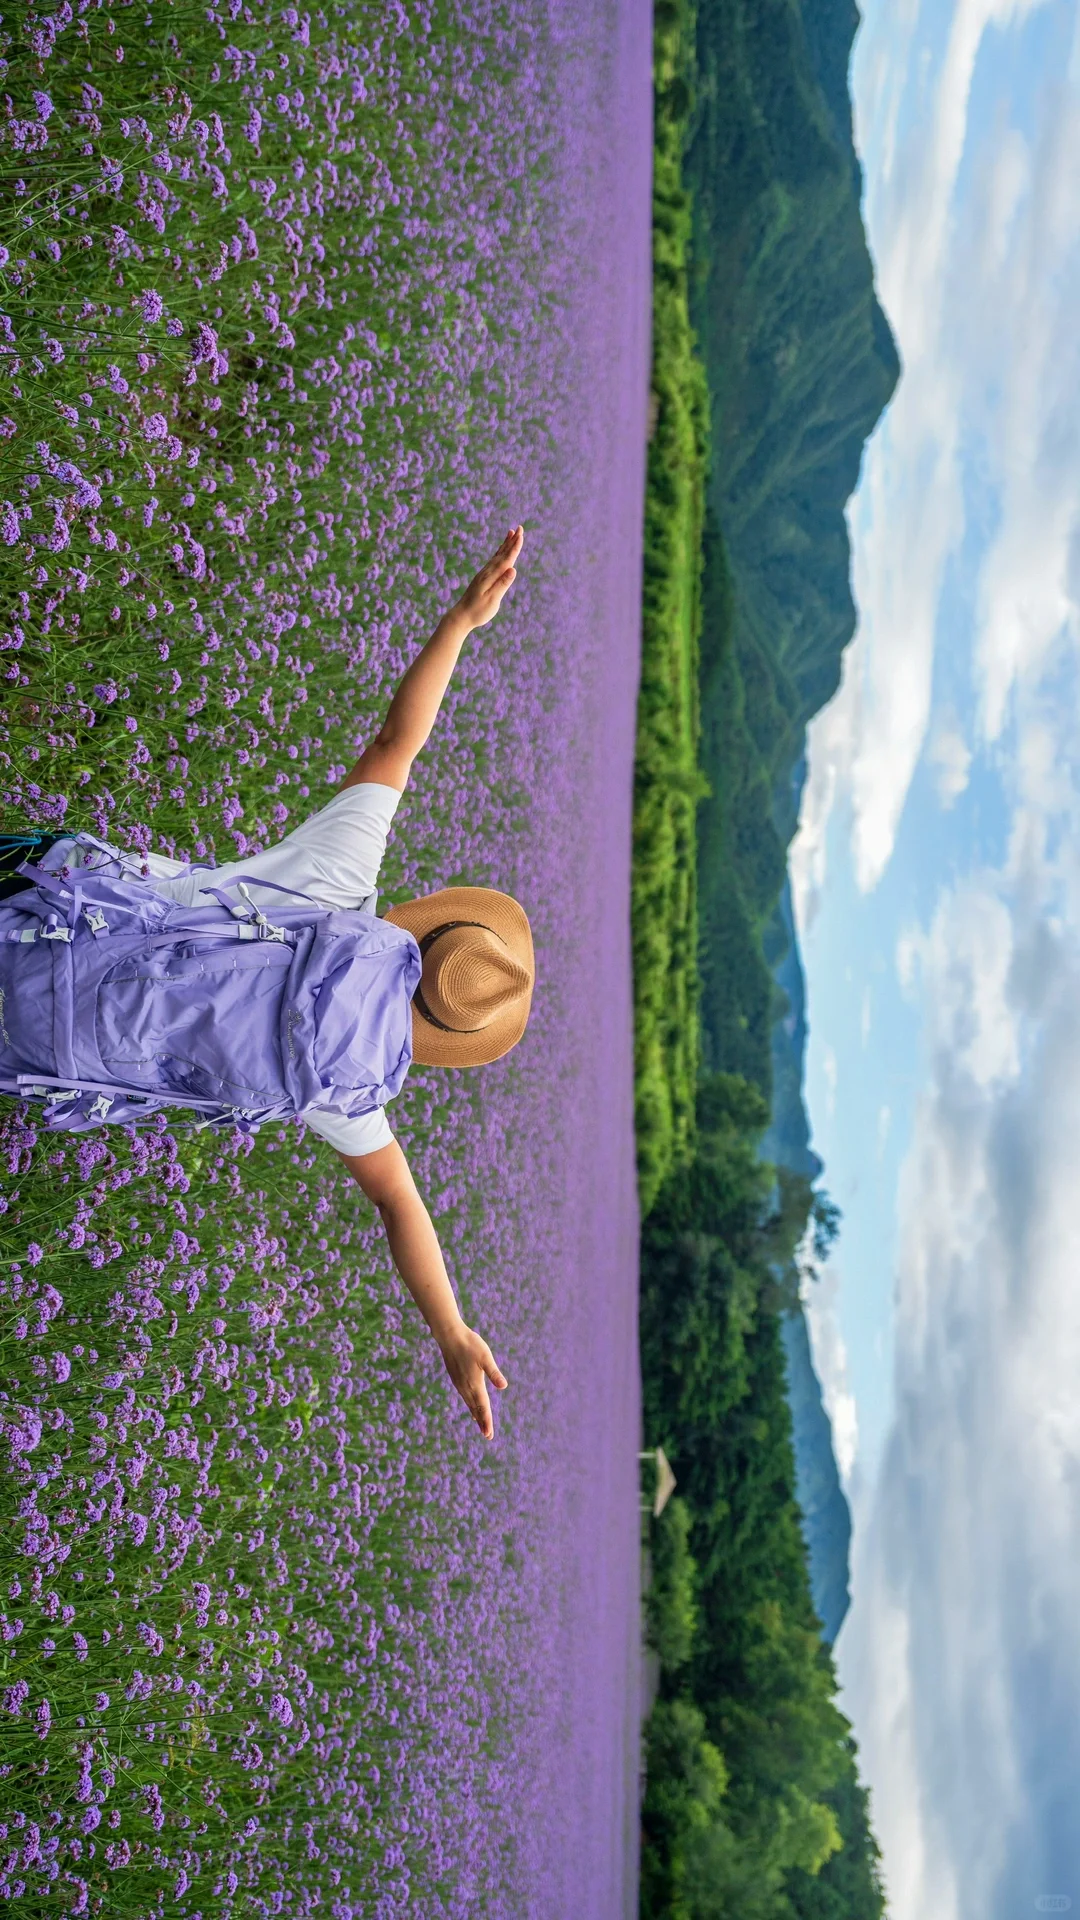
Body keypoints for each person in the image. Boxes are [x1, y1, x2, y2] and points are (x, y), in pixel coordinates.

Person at [5, 526, 529, 1443]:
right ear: (444, 1040)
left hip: (46, 913)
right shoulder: (346, 1090)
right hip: (42, 1050)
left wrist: (460, 623)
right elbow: (400, 1206)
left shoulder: (338, 884)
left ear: (427, 922)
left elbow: (395, 743)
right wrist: (449, 1330)